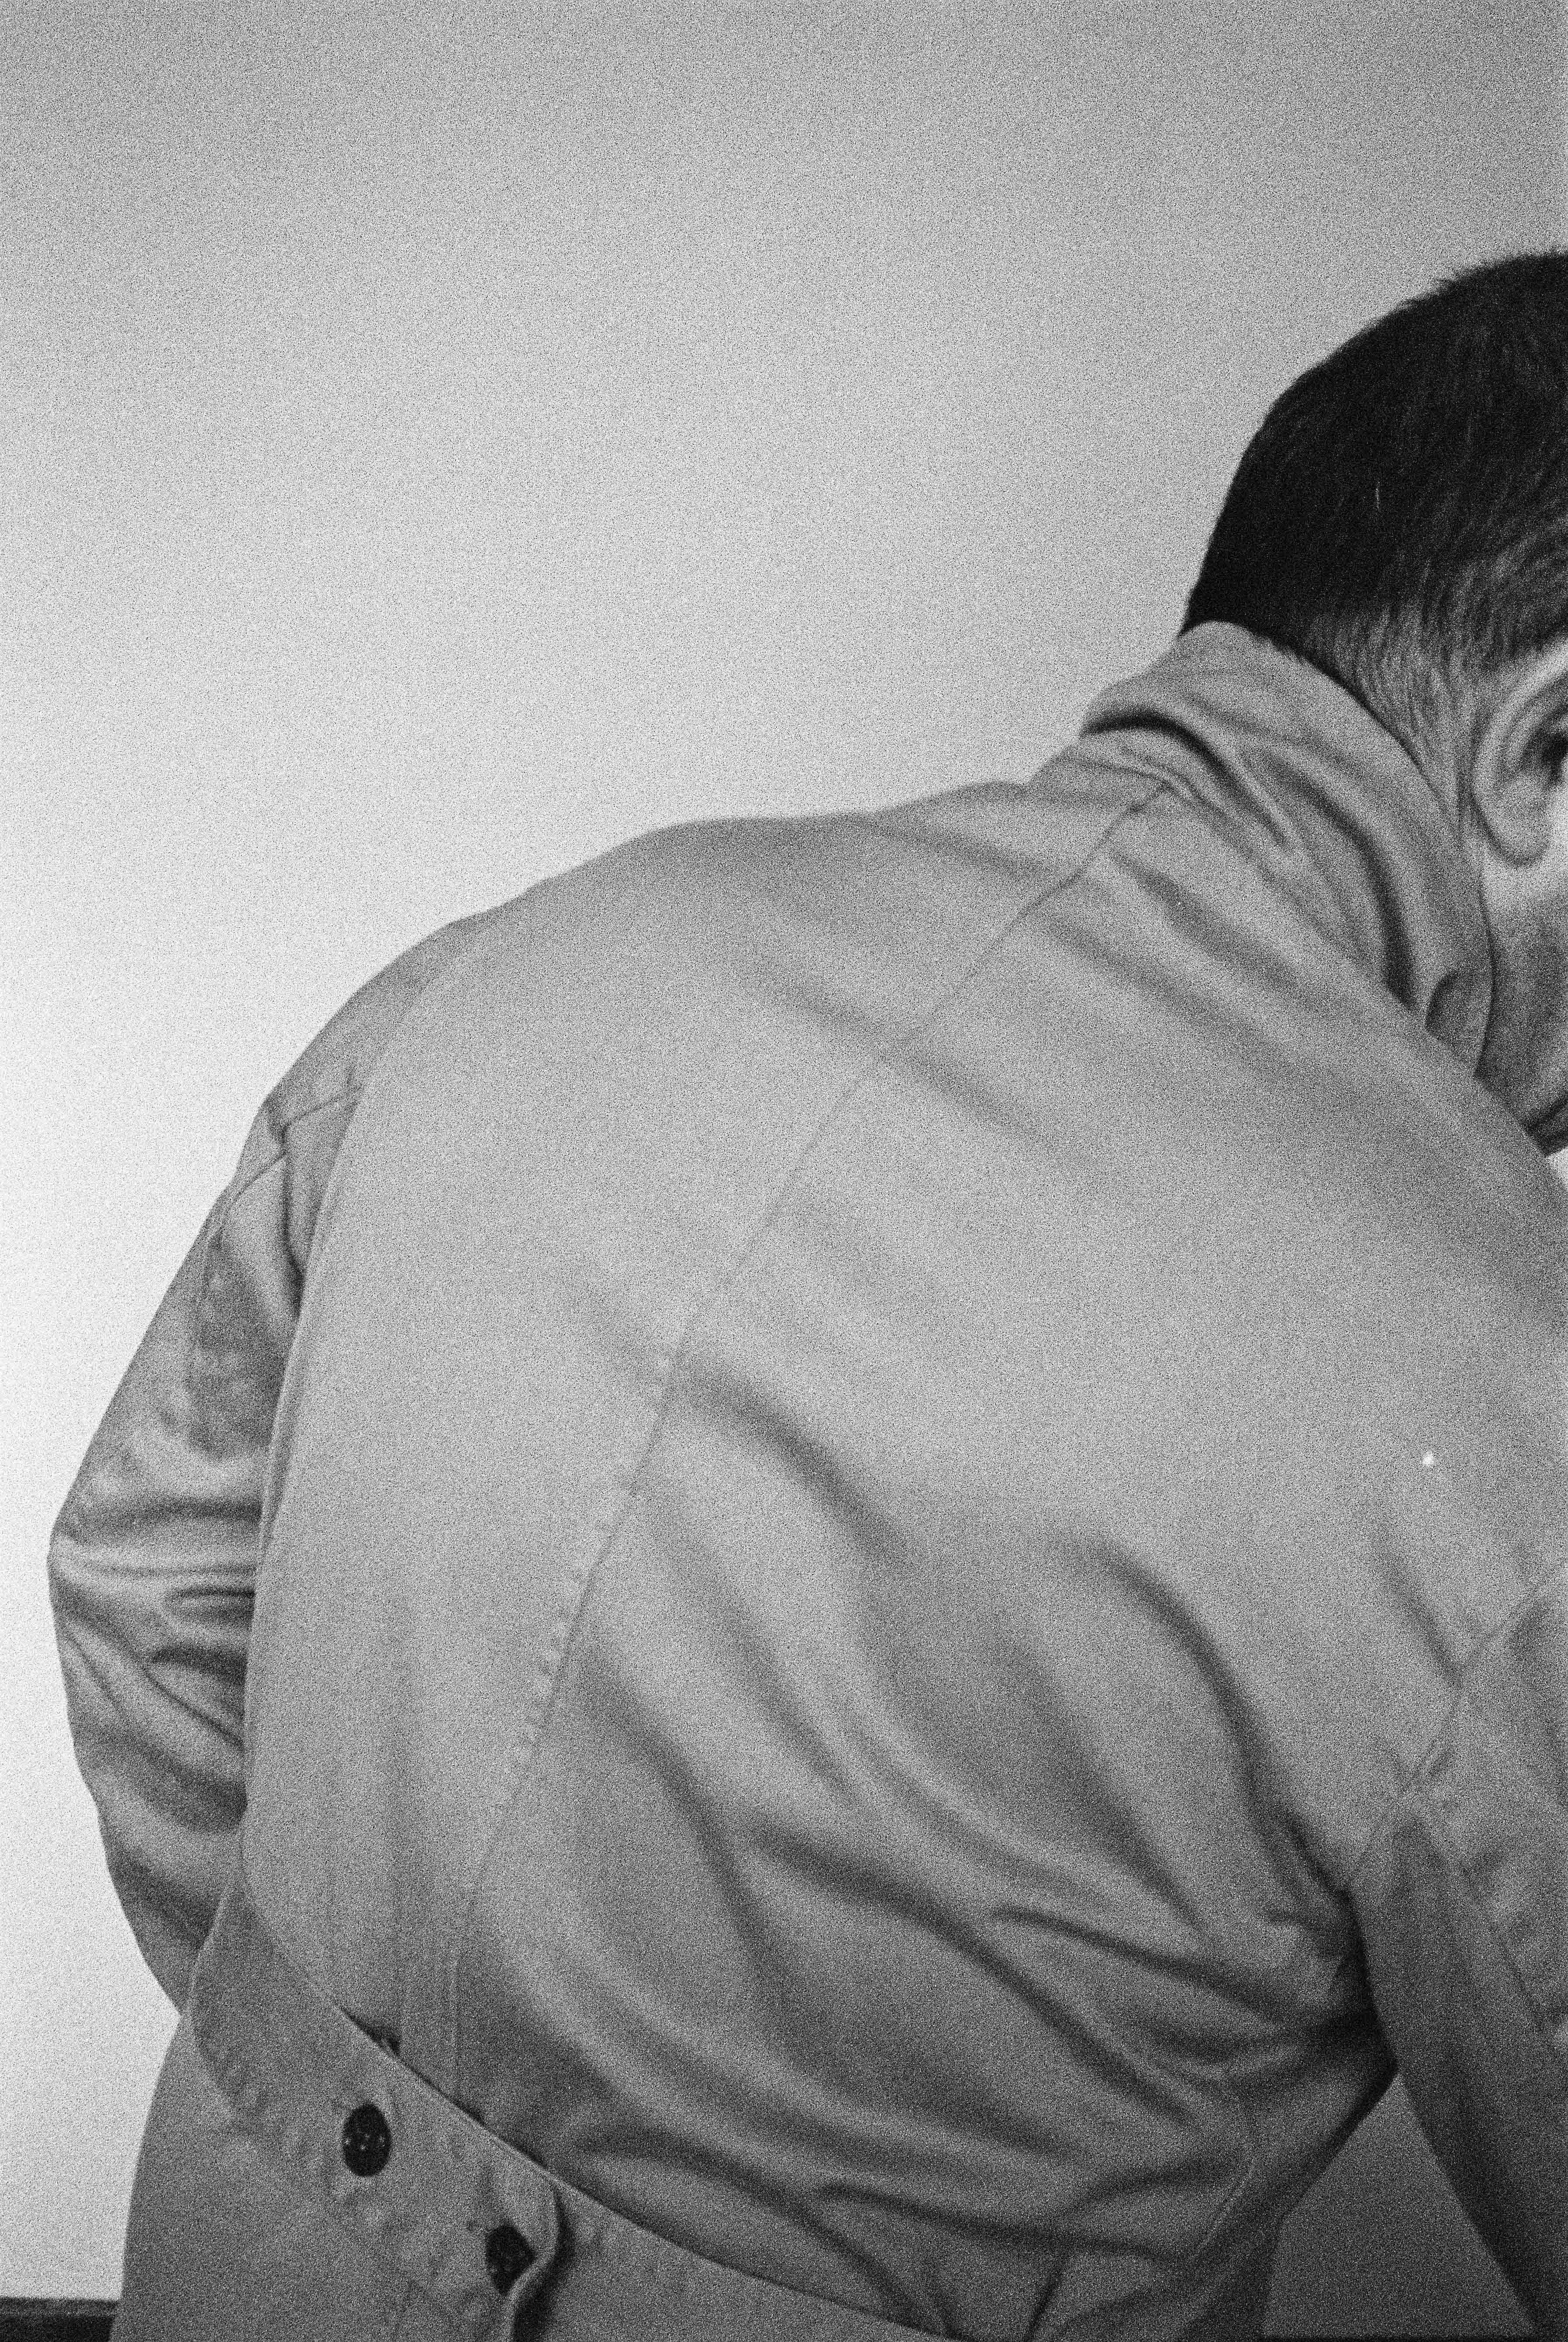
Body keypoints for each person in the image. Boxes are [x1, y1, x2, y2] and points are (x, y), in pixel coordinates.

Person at [51, 250, 1568, 2342]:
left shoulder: (530, 953)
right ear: (1544, 742)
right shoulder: (1506, 1377)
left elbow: (144, 1582)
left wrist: (332, 2136)